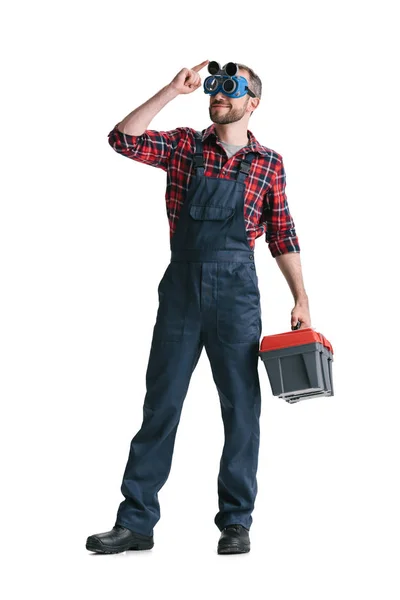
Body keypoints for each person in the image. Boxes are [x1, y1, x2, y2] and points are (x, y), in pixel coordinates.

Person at [86, 60, 311, 555]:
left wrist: (301, 297)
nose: (220, 95)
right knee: (161, 404)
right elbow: (123, 139)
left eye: (234, 89)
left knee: (241, 410)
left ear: (253, 102)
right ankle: (136, 523)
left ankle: (236, 522)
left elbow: (282, 233)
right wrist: (171, 90)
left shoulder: (268, 162)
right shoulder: (186, 144)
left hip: (237, 293)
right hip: (183, 287)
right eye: (216, 88)